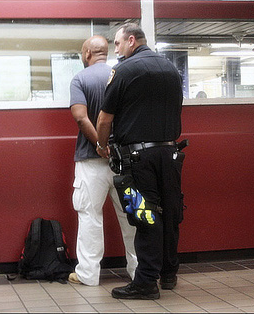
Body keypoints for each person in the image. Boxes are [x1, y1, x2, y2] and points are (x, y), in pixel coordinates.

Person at [96, 23, 184, 300]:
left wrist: (101, 145)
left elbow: (104, 118)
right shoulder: (171, 69)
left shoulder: (124, 70)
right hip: (170, 155)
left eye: (119, 44)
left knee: (144, 214)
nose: (117, 50)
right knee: (170, 212)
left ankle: (145, 282)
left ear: (132, 40)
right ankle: (169, 273)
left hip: (137, 159)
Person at [68, 35, 138, 286]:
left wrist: (100, 145)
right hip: (125, 162)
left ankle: (88, 275)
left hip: (90, 161)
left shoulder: (80, 79)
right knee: (131, 217)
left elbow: (80, 117)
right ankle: (137, 271)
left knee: (89, 216)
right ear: (106, 52)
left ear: (87, 54)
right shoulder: (123, 75)